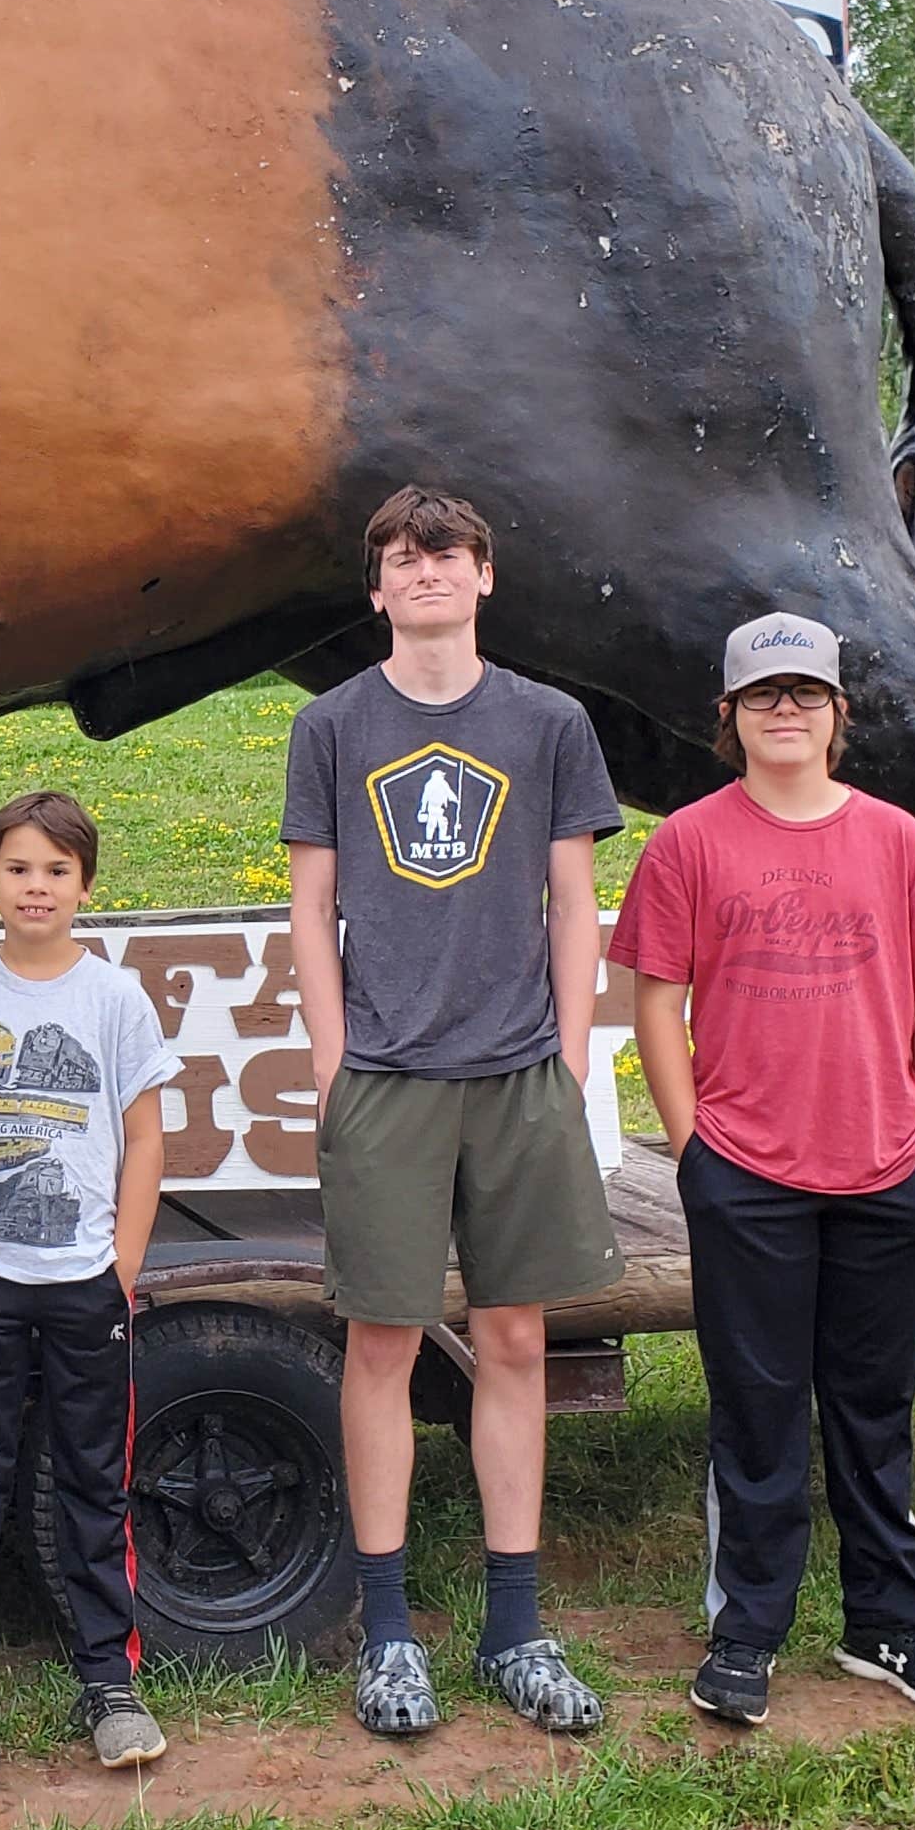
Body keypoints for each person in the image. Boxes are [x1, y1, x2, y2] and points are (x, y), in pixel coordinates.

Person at [283, 485, 624, 1741]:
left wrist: (574, 1060)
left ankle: (514, 1629)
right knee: (382, 1343)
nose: (424, 568)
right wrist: (333, 1061)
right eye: (401, 554)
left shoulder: (548, 723)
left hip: (522, 1069)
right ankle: (387, 1638)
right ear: (376, 588)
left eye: (448, 551)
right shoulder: (333, 725)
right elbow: (311, 909)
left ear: (486, 576)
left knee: (521, 1341)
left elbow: (576, 900)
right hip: (386, 1077)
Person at [614, 612, 915, 1729]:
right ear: (728, 717)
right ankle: (748, 1633)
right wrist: (695, 1153)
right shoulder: (689, 842)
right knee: (758, 1410)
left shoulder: (897, 842)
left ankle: (893, 1627)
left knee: (875, 1406)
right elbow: (655, 1004)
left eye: (808, 693)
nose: (788, 710)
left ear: (838, 714)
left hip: (887, 1168)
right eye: (765, 695)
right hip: (749, 1173)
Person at [0, 789, 177, 1779]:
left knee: (94, 1486)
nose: (36, 887)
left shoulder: (114, 999)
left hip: (84, 1284)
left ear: (85, 887)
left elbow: (146, 1137)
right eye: (18, 868)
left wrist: (124, 1263)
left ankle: (110, 1679)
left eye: (56, 871)